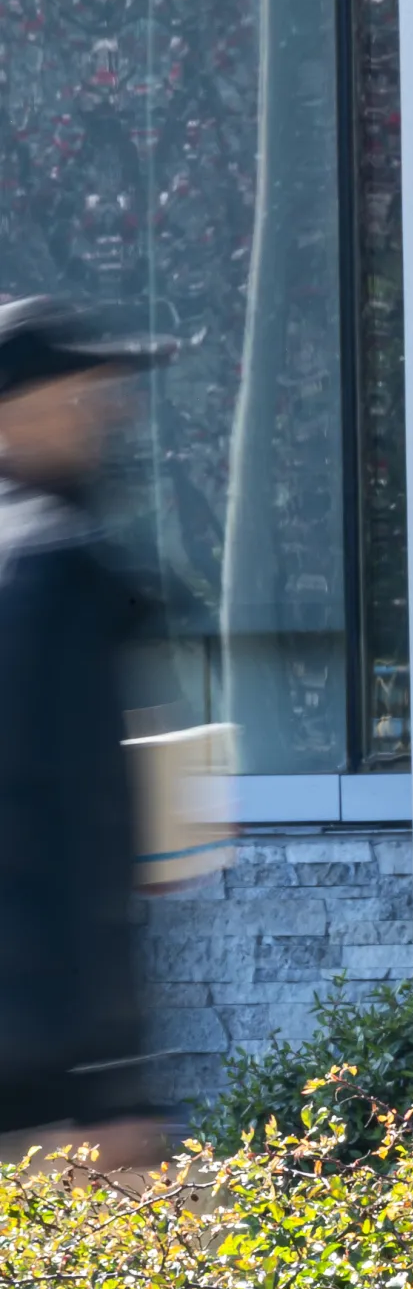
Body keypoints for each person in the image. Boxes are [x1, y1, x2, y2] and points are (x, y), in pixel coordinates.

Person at [0, 299, 164, 1165]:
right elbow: (82, 836)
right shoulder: (57, 573)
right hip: (43, 1061)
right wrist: (114, 1080)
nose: (106, 414)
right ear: (16, 412)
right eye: (82, 394)